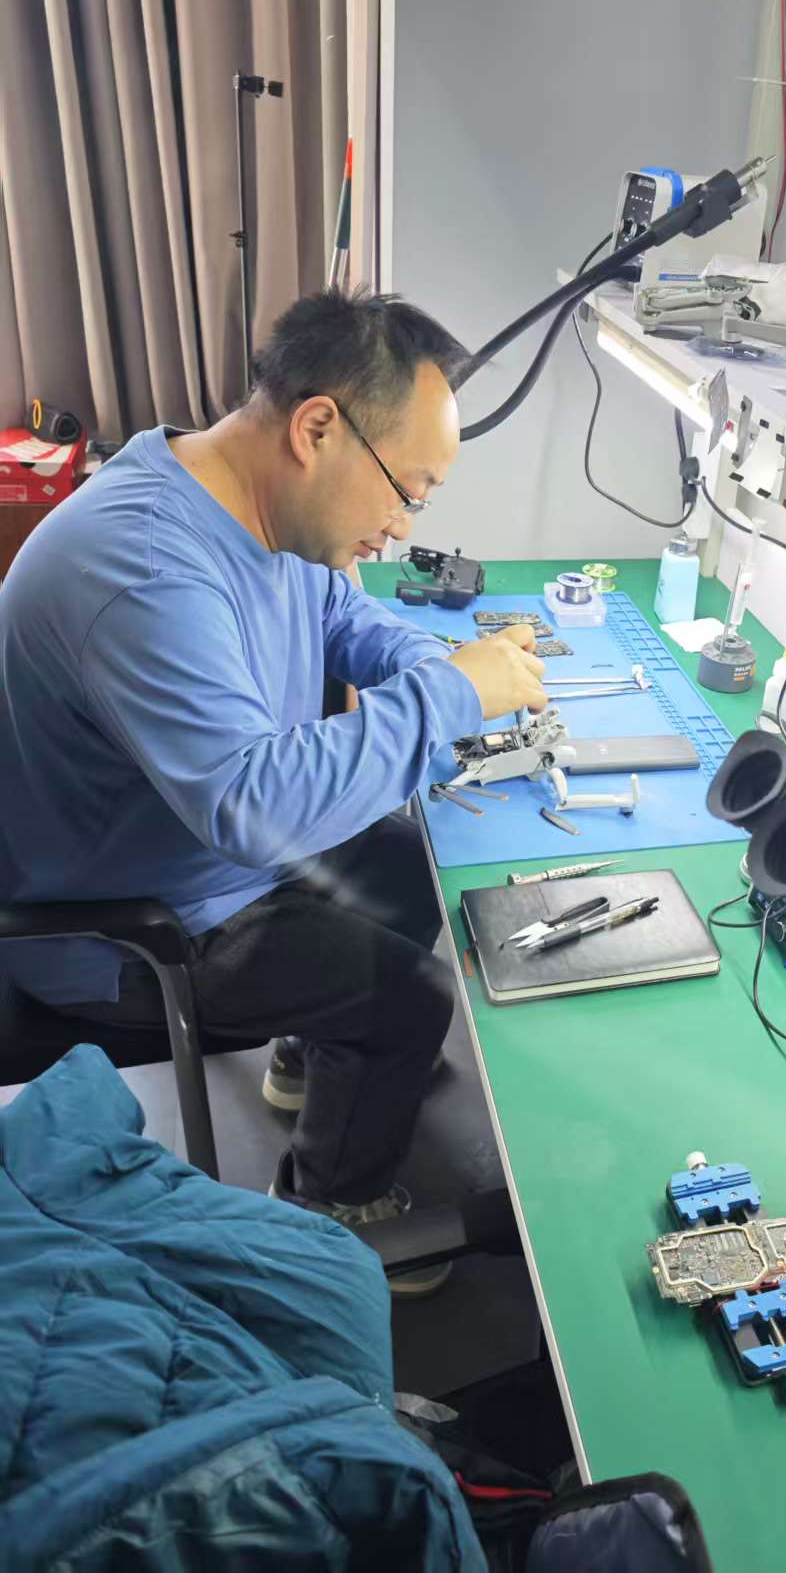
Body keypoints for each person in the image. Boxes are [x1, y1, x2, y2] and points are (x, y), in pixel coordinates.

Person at [0, 289, 547, 1291]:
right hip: (128, 922)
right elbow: (252, 809)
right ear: (317, 428)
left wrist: (438, 665)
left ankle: (307, 1056)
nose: (401, 526)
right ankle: (329, 1204)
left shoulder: (245, 502)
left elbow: (343, 618)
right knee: (411, 999)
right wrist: (451, 697)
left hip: (195, 852)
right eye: (408, 490)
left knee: (417, 866)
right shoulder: (143, 567)